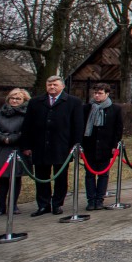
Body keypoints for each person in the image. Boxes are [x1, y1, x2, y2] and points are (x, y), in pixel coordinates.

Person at [20, 75, 84, 217]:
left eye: (55, 84)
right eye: (49, 85)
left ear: (62, 86)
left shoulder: (73, 102)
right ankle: (43, 205)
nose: (52, 87)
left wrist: (76, 145)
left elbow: (78, 126)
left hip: (62, 146)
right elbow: (27, 125)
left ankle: (57, 204)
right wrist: (26, 145)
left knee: (60, 176)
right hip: (40, 146)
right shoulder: (35, 102)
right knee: (41, 176)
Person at [0, 88, 30, 216]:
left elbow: (28, 131)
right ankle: (1, 207)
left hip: (17, 149)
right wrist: (3, 138)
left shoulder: (27, 115)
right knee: (2, 179)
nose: (14, 101)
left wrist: (13, 138)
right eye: (12, 98)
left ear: (24, 100)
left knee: (15, 178)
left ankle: (13, 205)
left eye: (18, 99)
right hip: (1, 149)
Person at [81, 83, 123, 211]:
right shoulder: (86, 108)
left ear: (107, 94)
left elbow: (118, 129)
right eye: (95, 93)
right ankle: (91, 200)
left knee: (103, 174)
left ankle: (99, 199)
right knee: (89, 175)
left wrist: (114, 145)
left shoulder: (115, 109)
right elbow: (81, 127)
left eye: (100, 93)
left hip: (105, 146)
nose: (97, 95)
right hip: (89, 146)